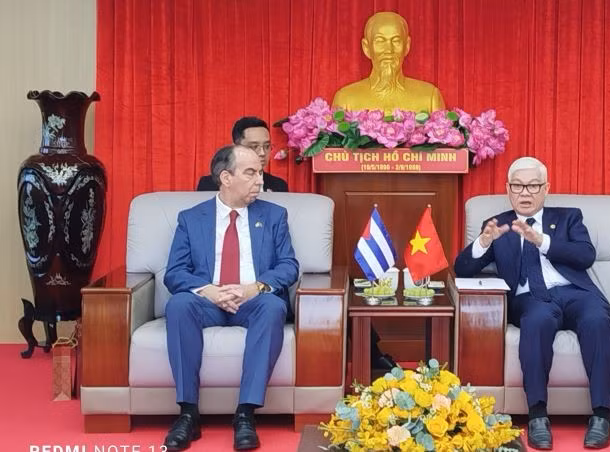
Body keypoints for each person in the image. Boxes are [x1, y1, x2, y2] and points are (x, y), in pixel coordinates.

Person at [453, 157, 610, 450]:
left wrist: (543, 241)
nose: (524, 193)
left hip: (576, 293)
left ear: (546, 189)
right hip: (531, 300)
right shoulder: (499, 225)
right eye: (517, 186)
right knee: (537, 322)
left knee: (597, 321)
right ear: (508, 189)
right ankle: (538, 416)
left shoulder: (569, 217)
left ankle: (602, 415)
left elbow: (585, 256)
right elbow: (462, 269)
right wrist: (484, 242)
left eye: (532, 186)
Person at [163, 145, 299, 451]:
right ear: (226, 177)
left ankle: (245, 414)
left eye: (260, 172)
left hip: (252, 300)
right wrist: (209, 291)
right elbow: (174, 272)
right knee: (179, 304)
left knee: (273, 306)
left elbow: (288, 265)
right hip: (207, 301)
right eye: (250, 173)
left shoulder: (274, 215)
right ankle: (187, 413)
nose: (260, 181)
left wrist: (255, 287)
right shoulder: (191, 218)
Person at [331, 11, 445, 114]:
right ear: (366, 48)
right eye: (380, 41)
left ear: (407, 46)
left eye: (396, 40)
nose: (389, 50)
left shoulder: (429, 97)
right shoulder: (345, 99)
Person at [197, 117, 288, 192]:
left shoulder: (279, 186)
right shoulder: (210, 184)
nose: (262, 153)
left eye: (267, 146)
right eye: (254, 146)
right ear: (236, 148)